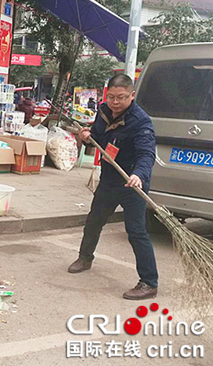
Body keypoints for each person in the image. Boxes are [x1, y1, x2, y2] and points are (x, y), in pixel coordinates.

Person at [68, 74, 159, 301]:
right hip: (109, 178)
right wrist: (88, 136)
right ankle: (85, 257)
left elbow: (147, 154)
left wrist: (139, 175)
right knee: (94, 220)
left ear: (132, 95)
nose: (115, 102)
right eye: (111, 97)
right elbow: (98, 135)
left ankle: (149, 282)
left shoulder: (141, 122)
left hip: (132, 182)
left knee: (137, 232)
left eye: (121, 98)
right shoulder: (103, 111)